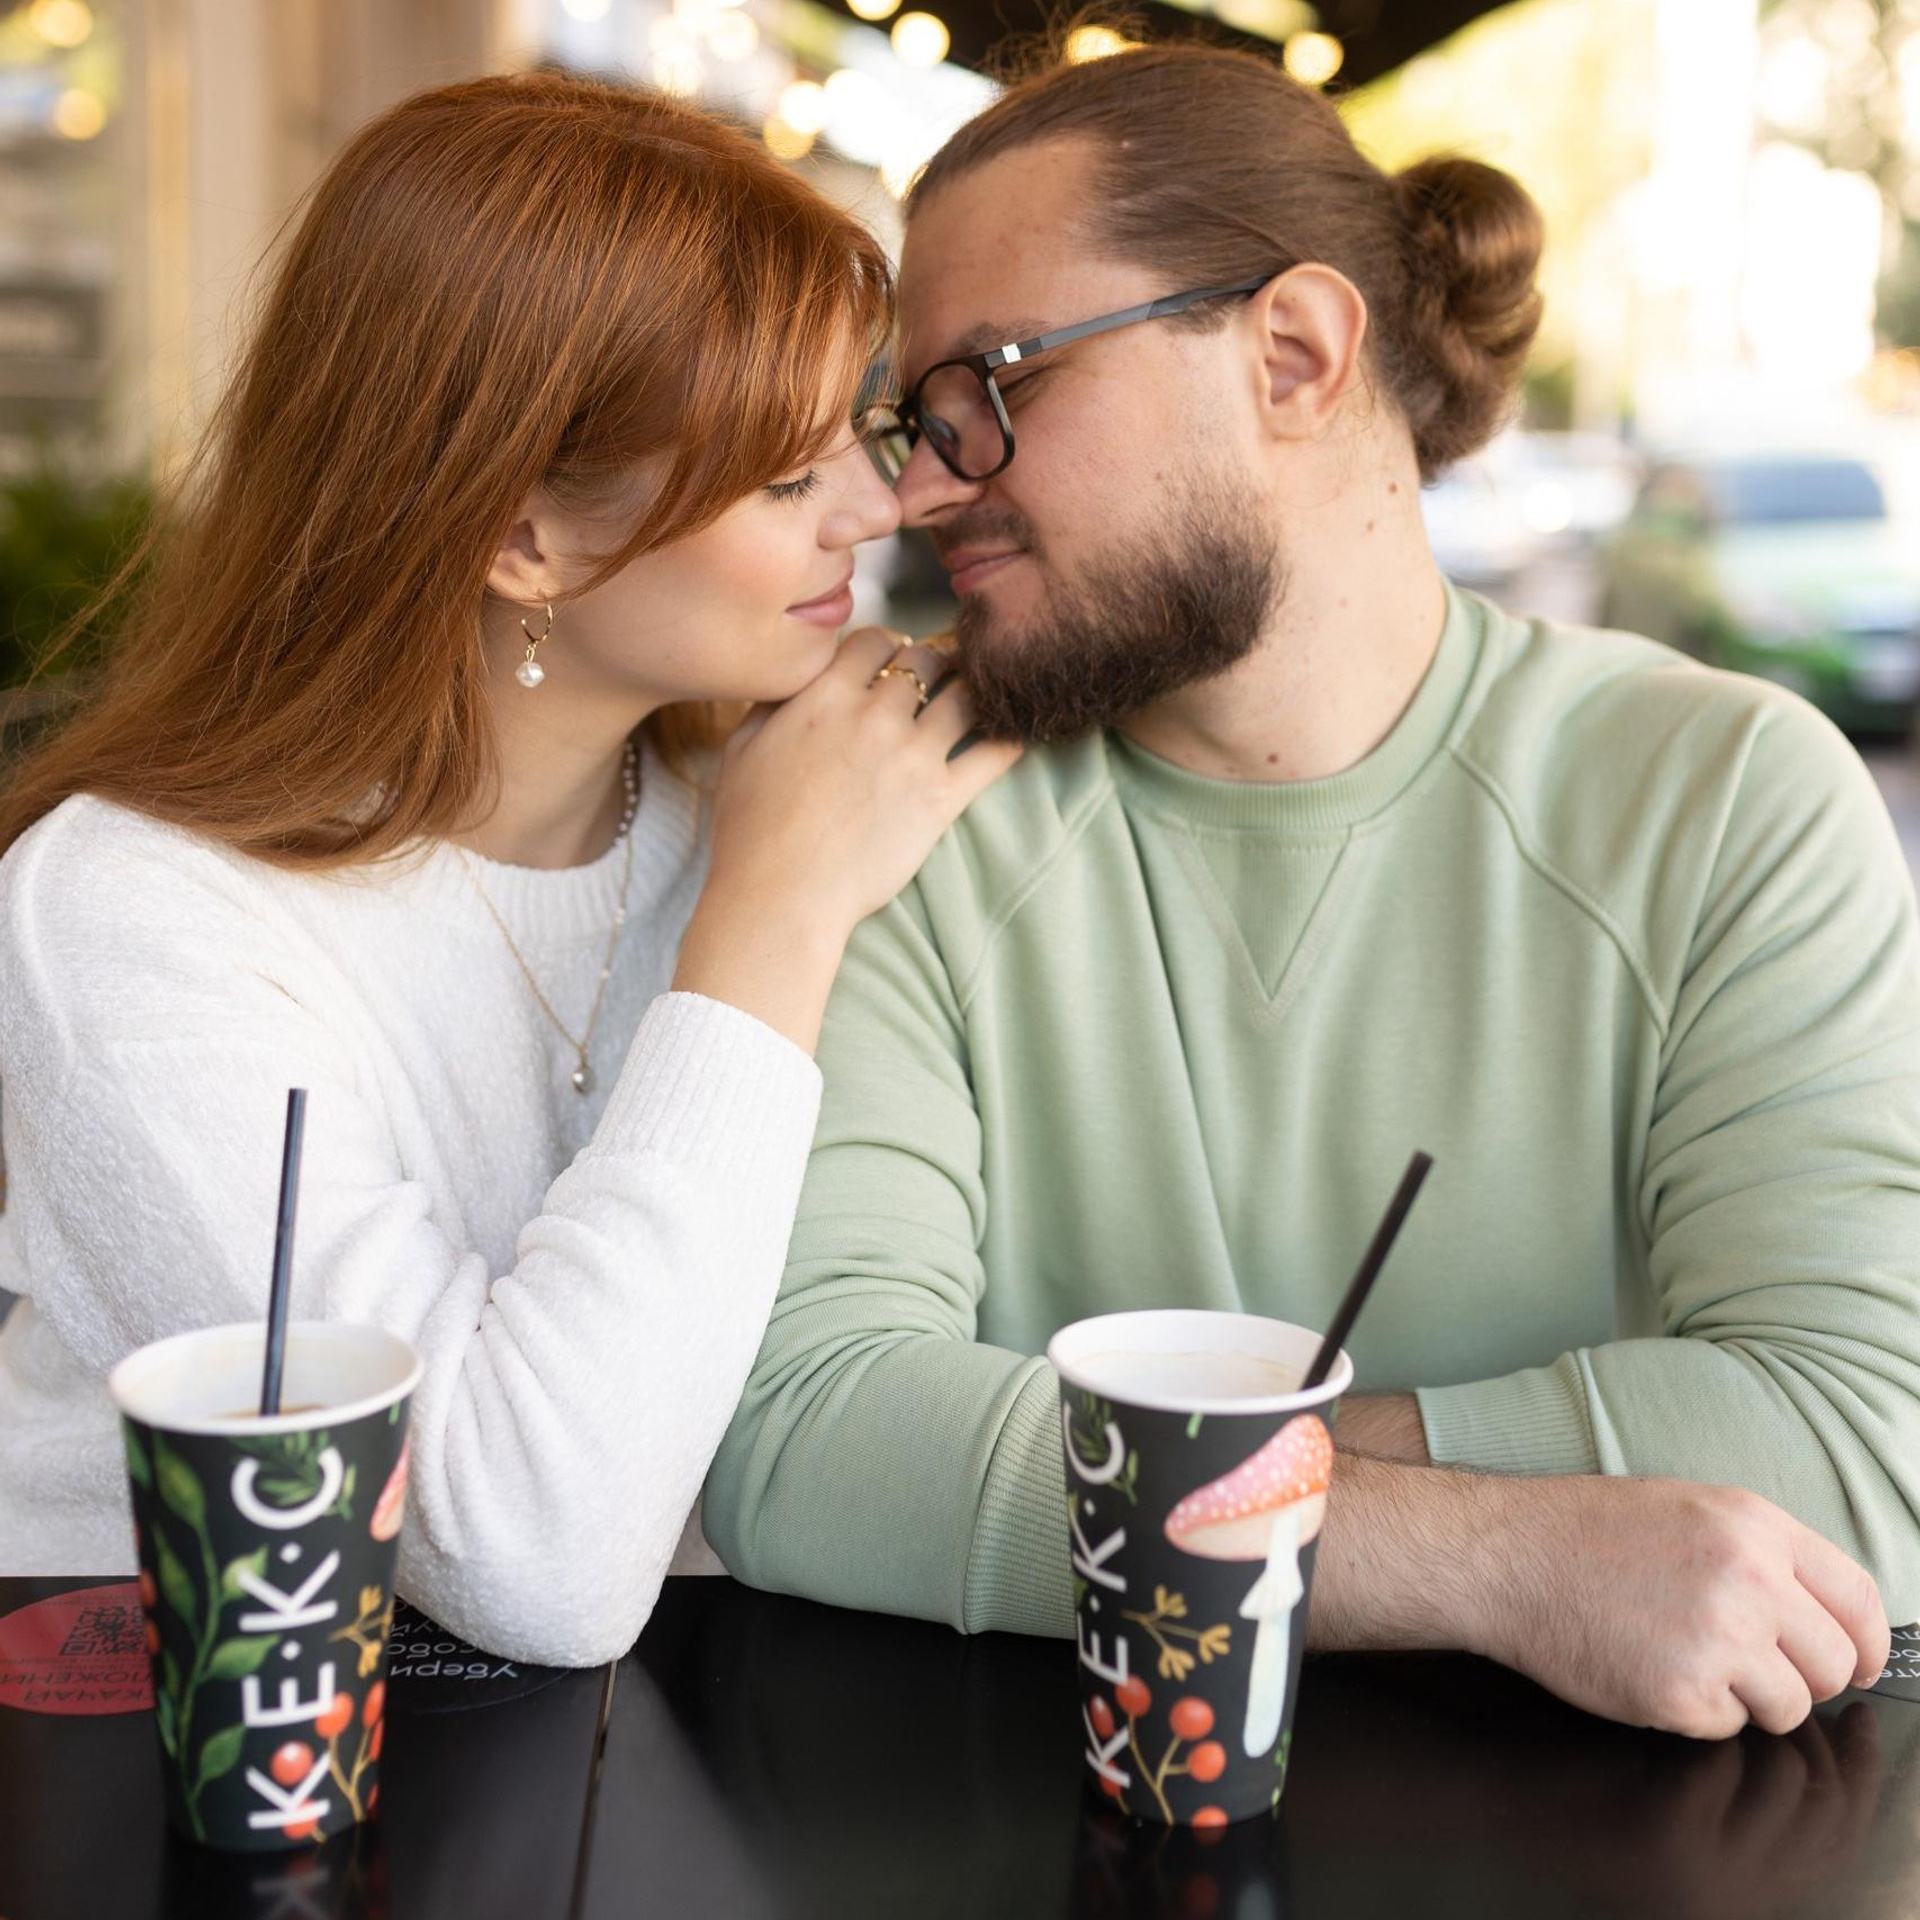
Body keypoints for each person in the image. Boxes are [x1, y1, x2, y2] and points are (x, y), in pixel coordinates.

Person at [702, 39, 1920, 1739]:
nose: (919, 483)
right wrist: (1498, 1554)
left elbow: (1863, 1441)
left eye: (995, 382)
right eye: (920, 417)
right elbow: (811, 1440)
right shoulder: (894, 792)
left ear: (1293, 353)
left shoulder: (1724, 801)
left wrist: (1090, 1471)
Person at [0, 71, 1015, 1666]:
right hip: (173, 1748)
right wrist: (771, 919)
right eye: (782, 479)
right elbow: (525, 1553)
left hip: (710, 1759)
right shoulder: (137, 910)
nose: (881, 509)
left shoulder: (778, 786)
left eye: (863, 438)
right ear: (525, 536)